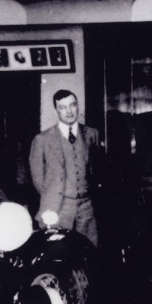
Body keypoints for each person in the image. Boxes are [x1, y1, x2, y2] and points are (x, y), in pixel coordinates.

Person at [29, 90, 100, 246]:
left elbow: (96, 170)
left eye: (72, 105)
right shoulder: (42, 139)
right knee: (59, 254)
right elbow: (37, 178)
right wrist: (53, 197)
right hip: (57, 208)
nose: (69, 111)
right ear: (56, 109)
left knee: (89, 253)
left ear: (77, 106)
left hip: (86, 206)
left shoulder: (91, 134)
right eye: (63, 107)